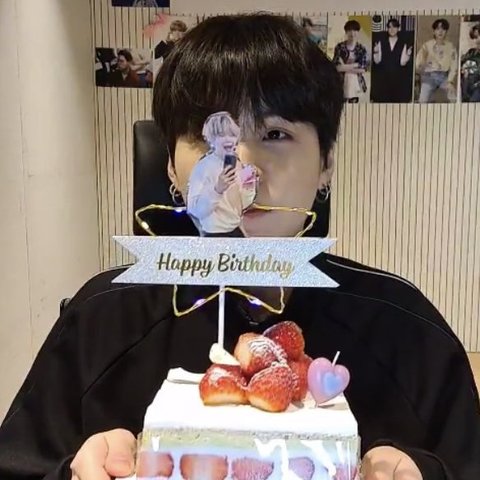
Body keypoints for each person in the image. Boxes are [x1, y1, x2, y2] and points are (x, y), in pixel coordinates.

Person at [0, 13, 479, 480]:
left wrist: (427, 473)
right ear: (170, 166)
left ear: (326, 163)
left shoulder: (406, 331)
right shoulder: (100, 322)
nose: (242, 171)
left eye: (275, 134)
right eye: (210, 136)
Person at [186, 112, 257, 237]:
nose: (228, 139)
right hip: (214, 235)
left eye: (232, 135)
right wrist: (217, 190)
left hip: (236, 231)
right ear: (211, 139)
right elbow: (195, 210)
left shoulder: (238, 164)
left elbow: (243, 204)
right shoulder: (202, 167)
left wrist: (249, 186)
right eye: (221, 135)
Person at [371, 18, 414, 103]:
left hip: (397, 78)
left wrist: (408, 54)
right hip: (383, 77)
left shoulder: (403, 43)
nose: (392, 29)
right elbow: (377, 61)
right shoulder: (381, 42)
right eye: (389, 27)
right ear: (387, 29)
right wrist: (376, 51)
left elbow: (402, 63)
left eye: (394, 27)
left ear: (398, 28)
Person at [415, 19, 458, 103]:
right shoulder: (426, 46)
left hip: (444, 77)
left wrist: (450, 81)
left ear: (446, 31)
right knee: (422, 100)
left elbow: (454, 65)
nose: (440, 32)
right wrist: (423, 65)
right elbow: (418, 64)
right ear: (434, 31)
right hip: (429, 77)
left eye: (443, 29)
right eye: (438, 29)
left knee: (454, 98)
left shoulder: (451, 47)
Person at [333, 20, 369, 103]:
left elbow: (363, 69)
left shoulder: (361, 49)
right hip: (341, 82)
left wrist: (344, 67)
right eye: (349, 30)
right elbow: (336, 67)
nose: (352, 33)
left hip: (356, 83)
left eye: (355, 30)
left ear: (358, 32)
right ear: (346, 32)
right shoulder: (340, 47)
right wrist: (355, 65)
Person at [460, 23, 480, 102]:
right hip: (467, 88)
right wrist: (462, 70)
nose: (477, 40)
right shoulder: (471, 52)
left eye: (478, 36)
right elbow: (461, 64)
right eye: (474, 37)